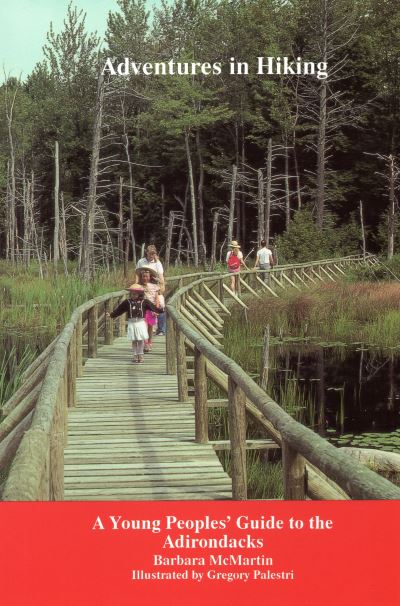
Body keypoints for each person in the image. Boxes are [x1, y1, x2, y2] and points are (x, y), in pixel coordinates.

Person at [107, 284, 163, 364]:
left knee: (140, 340)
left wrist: (161, 310)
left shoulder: (144, 302)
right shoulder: (127, 302)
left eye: (135, 294)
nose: (133, 295)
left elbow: (153, 307)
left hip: (140, 322)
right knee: (134, 340)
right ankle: (135, 355)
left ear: (139, 294)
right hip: (132, 323)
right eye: (132, 293)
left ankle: (140, 355)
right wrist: (111, 315)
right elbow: (120, 310)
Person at [137, 244, 166, 336]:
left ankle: (161, 329)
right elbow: (137, 274)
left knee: (160, 304)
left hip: (155, 286)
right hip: (144, 286)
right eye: (150, 254)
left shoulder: (157, 263)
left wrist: (162, 286)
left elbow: (161, 276)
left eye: (153, 254)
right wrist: (136, 286)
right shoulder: (141, 261)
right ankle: (146, 326)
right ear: (147, 253)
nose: (151, 256)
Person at [135, 266, 164, 351]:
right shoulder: (138, 286)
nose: (145, 278)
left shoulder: (154, 286)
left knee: (150, 327)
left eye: (147, 276)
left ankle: (150, 342)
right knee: (143, 326)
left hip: (151, 309)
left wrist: (156, 309)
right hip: (142, 309)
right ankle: (146, 343)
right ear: (141, 277)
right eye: (143, 276)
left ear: (150, 277)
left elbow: (156, 298)